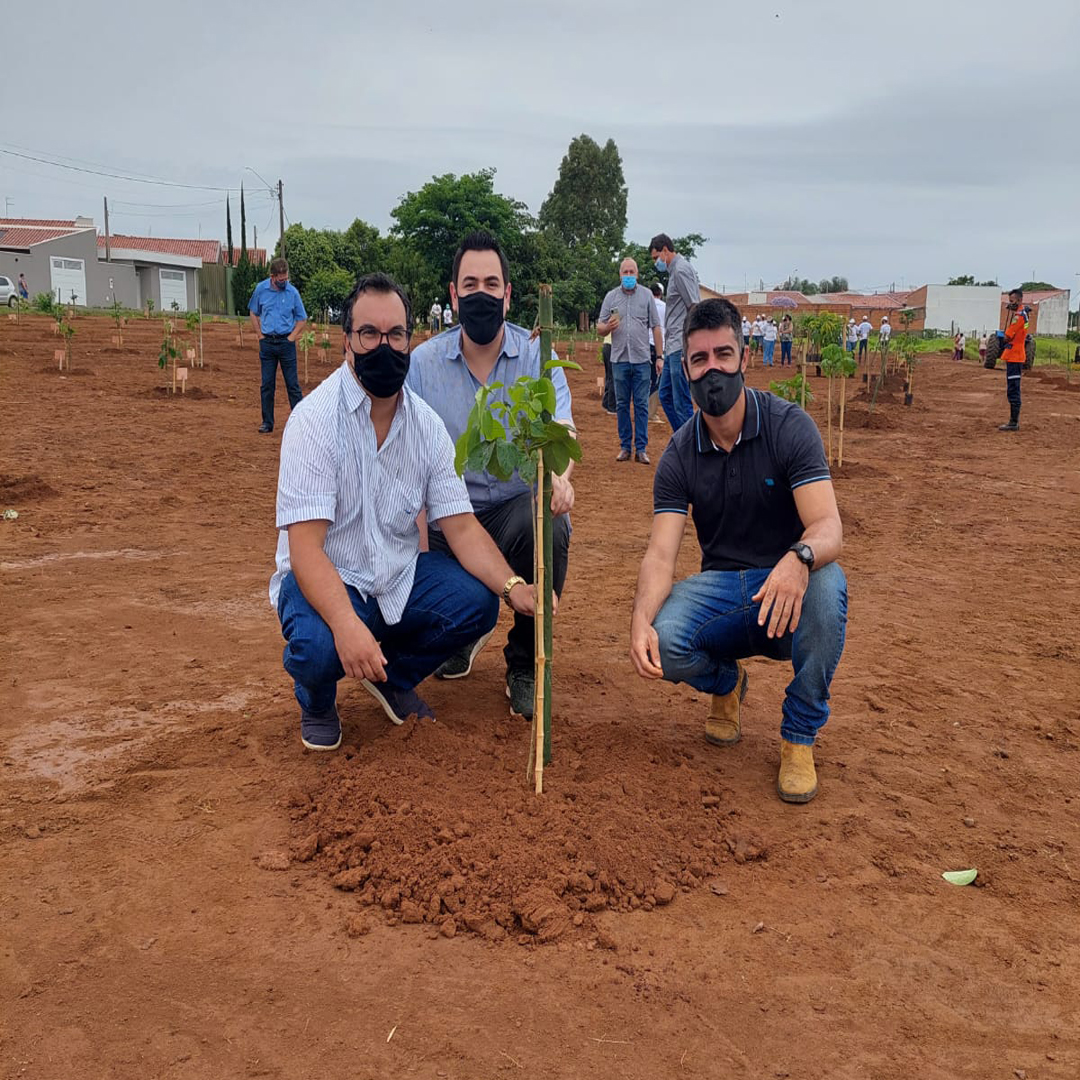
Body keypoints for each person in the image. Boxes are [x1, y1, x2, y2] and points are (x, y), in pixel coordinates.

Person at [270, 272, 535, 751]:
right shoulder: (313, 421)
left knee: (477, 603)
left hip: (396, 576)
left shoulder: (426, 427)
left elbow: (460, 525)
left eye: (395, 335)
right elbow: (305, 550)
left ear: (411, 340)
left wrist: (514, 587)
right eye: (369, 334)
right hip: (330, 579)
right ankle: (316, 697)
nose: (383, 347)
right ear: (347, 341)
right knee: (318, 648)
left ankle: (392, 677)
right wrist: (348, 627)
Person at [630, 298, 847, 804]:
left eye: (723, 355)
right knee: (664, 637)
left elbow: (828, 527)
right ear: (684, 368)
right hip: (726, 593)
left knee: (828, 584)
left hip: (787, 588)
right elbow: (661, 555)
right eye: (700, 359)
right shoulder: (679, 454)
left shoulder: (788, 426)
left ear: (744, 358)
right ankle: (727, 683)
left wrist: (799, 559)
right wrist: (640, 617)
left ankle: (798, 736)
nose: (713, 370)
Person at [406, 230, 575, 720]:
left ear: (508, 294)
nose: (481, 293)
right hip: (447, 519)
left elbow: (560, 429)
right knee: (417, 549)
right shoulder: (421, 365)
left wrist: (559, 478)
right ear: (454, 294)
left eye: (491, 283)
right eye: (470, 284)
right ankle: (461, 629)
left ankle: (524, 663)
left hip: (509, 512)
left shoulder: (537, 357)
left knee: (549, 523)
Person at [596, 258, 662, 463]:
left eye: (632, 272)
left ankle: (641, 448)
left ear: (637, 274)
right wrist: (608, 327)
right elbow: (599, 327)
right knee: (623, 404)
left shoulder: (647, 296)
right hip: (620, 359)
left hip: (642, 359)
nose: (628, 276)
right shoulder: (611, 297)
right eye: (625, 272)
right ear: (620, 275)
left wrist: (660, 356)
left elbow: (656, 327)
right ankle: (625, 447)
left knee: (641, 405)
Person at [649, 234, 700, 431]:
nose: (656, 263)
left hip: (680, 345)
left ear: (665, 250)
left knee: (681, 400)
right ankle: (683, 438)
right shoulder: (674, 272)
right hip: (672, 345)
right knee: (666, 395)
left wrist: (690, 344)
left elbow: (694, 306)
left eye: (656, 258)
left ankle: (692, 444)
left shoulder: (681, 270)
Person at [249, 257, 307, 434]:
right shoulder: (261, 289)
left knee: (293, 385)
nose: (283, 282)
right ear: (272, 276)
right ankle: (267, 422)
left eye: (285, 278)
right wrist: (259, 335)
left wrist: (292, 337)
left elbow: (302, 318)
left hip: (286, 343)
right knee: (267, 384)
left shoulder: (293, 293)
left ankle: (300, 423)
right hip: (267, 343)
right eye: (280, 279)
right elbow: (253, 311)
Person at [998, 287, 1029, 431]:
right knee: (1013, 387)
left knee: (1013, 388)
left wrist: (1002, 339)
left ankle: (1013, 422)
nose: (1011, 304)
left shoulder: (1019, 316)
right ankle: (1013, 420)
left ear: (1020, 300)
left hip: (1015, 356)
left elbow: (1008, 335)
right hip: (1015, 355)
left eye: (1012, 301)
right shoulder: (1023, 313)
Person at [650, 282, 666, 423]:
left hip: (644, 346)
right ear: (661, 293)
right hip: (659, 347)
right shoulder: (665, 307)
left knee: (643, 380)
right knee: (655, 381)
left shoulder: (646, 305)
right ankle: (652, 413)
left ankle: (642, 411)